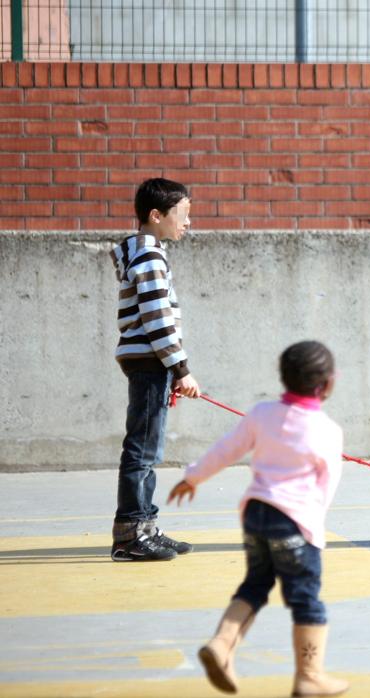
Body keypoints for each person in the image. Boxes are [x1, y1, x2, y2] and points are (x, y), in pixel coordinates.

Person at [168, 341, 349, 697]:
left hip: (256, 513)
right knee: (305, 599)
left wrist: (193, 477)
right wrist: (314, 533)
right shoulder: (327, 430)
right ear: (328, 383)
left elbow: (226, 449)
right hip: (295, 522)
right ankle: (309, 676)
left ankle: (221, 644)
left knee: (255, 585)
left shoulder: (262, 413)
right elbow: (326, 488)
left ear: (282, 378)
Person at [109, 177, 200, 562]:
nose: (188, 222)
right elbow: (157, 319)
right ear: (155, 215)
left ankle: (145, 525)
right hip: (150, 360)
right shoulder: (148, 257)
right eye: (182, 215)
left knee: (148, 447)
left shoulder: (148, 253)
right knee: (142, 450)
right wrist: (181, 369)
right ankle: (131, 533)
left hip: (150, 360)